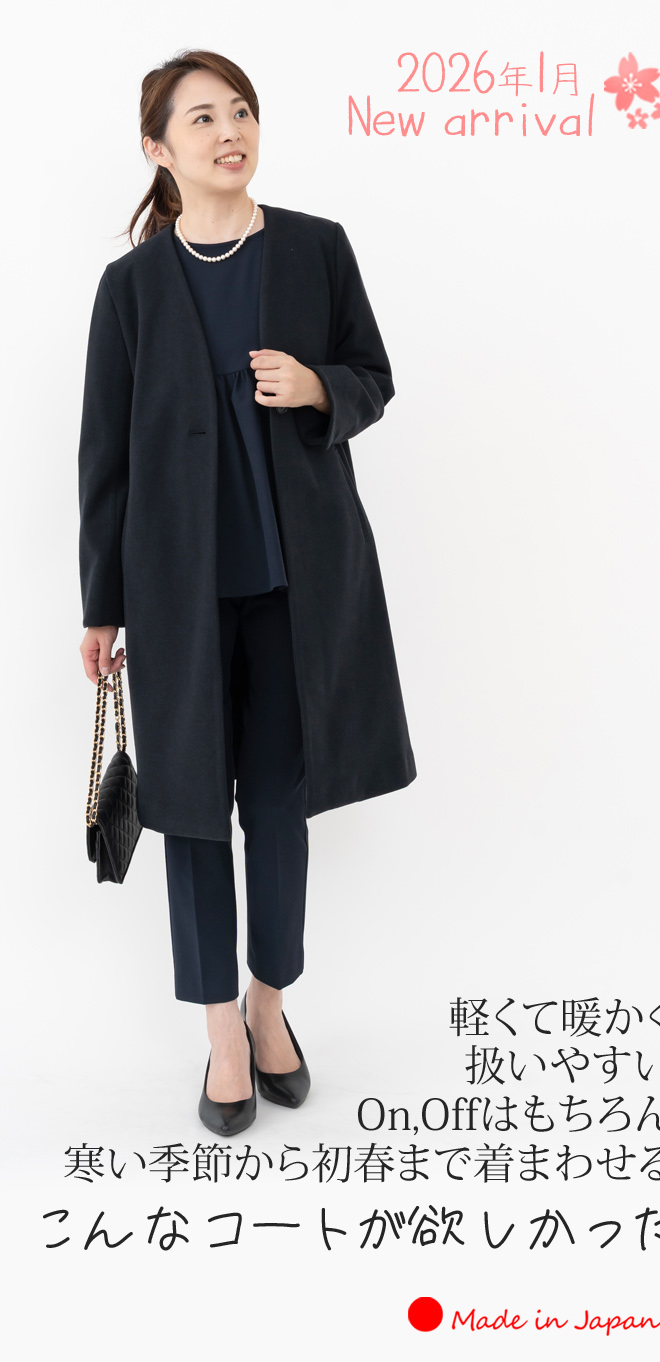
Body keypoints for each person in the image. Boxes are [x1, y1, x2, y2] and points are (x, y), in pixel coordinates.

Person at [77, 49, 416, 1137]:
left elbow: (373, 376)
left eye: (242, 111)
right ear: (158, 149)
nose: (230, 131)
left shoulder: (315, 248)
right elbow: (104, 461)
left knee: (276, 805)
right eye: (203, 118)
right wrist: (101, 606)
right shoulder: (131, 289)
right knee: (188, 813)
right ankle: (221, 1032)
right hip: (176, 597)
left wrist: (319, 387)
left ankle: (270, 1005)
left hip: (294, 587)